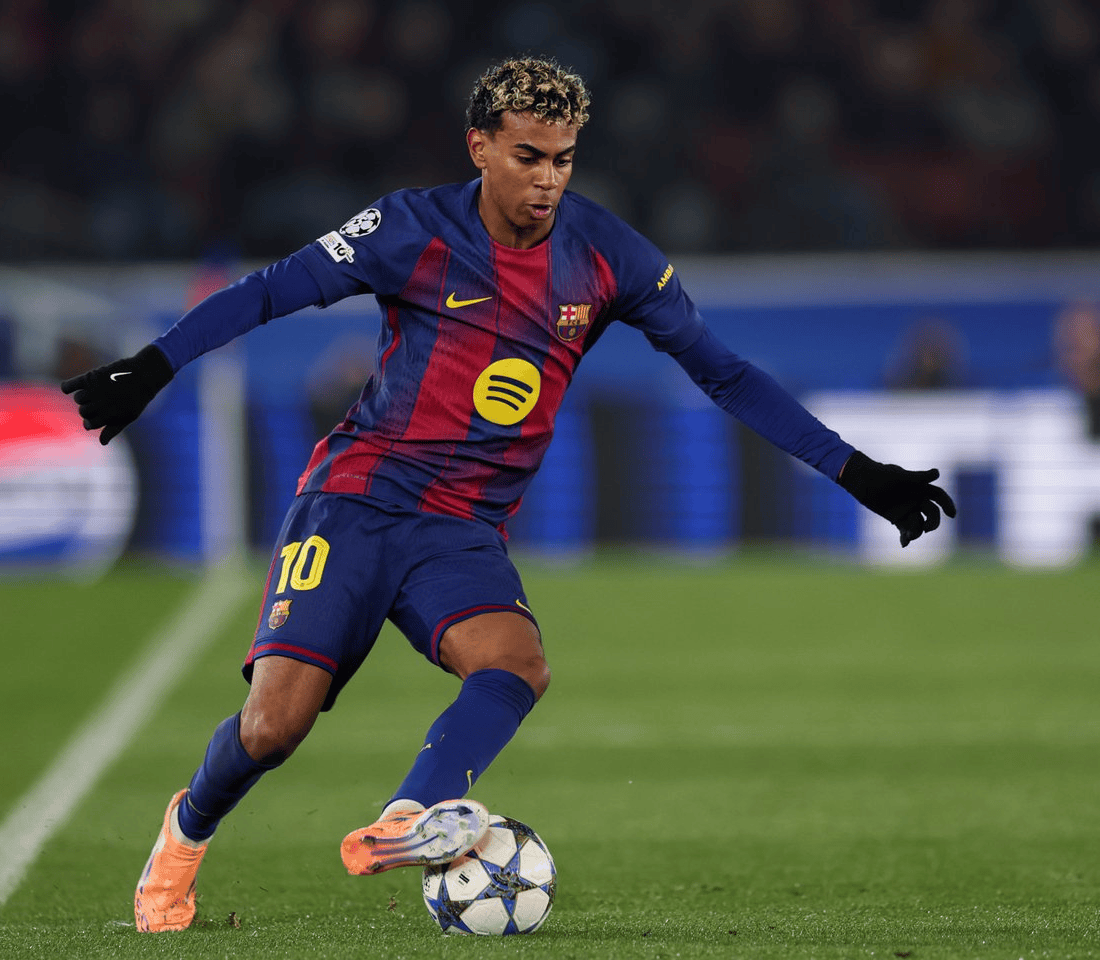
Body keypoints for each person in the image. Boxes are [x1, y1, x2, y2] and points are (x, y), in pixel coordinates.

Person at [62, 57, 957, 933]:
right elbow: (271, 290)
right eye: (528, 156)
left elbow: (723, 372)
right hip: (357, 499)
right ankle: (184, 833)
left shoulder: (607, 256)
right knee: (272, 729)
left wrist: (857, 471)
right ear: (480, 147)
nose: (548, 180)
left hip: (460, 528)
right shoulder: (409, 229)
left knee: (518, 664)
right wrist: (154, 365)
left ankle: (411, 815)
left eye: (563, 159)